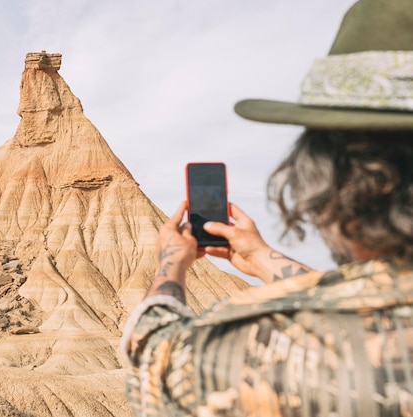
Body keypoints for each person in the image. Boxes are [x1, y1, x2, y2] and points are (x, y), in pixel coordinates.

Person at [120, 0, 413, 416]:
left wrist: (172, 265)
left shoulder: (268, 349)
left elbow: (152, 358)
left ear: (324, 183)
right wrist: (260, 258)